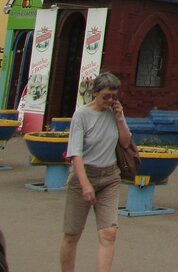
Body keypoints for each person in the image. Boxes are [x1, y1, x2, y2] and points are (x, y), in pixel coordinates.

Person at [60, 72, 132, 272]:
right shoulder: (81, 115)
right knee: (72, 234)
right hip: (83, 176)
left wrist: (119, 118)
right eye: (106, 96)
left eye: (114, 96)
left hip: (110, 177)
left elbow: (126, 143)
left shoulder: (115, 112)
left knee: (109, 233)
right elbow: (75, 154)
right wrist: (85, 185)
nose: (110, 101)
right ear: (95, 93)